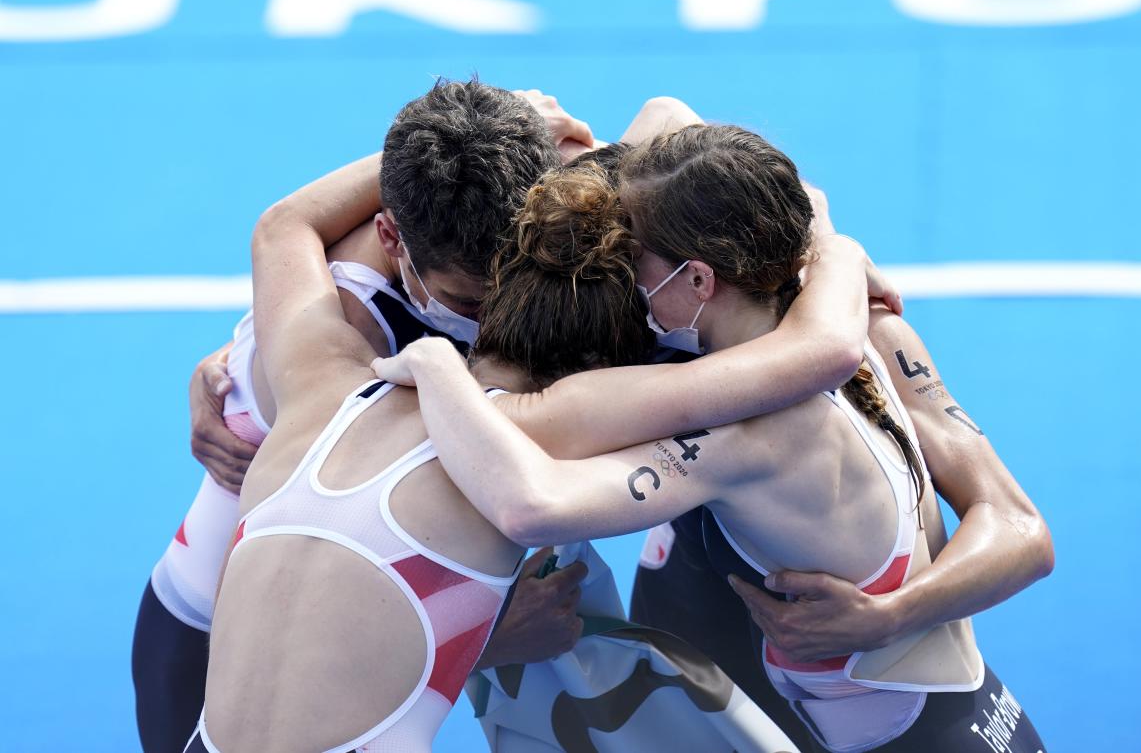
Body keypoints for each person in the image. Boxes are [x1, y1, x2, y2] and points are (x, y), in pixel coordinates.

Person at [191, 129, 887, 750]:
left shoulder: (317, 374)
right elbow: (825, 349)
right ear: (601, 365)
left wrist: (482, 139)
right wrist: (830, 244)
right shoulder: (548, 422)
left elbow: (282, 227)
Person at [374, 124, 1051, 752]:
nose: (621, 273)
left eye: (632, 255)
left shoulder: (743, 439)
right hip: (938, 710)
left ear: (698, 278)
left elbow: (535, 499)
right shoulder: (872, 328)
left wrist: (889, 616)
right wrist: (836, 248)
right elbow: (677, 124)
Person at [132, 78, 595, 752]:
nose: (498, 322)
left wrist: (522, 128)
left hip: (382, 606)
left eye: (515, 284)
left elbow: (285, 224)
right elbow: (319, 637)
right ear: (391, 236)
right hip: (213, 650)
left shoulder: (502, 206)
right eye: (470, 303)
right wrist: (485, 638)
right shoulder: (345, 318)